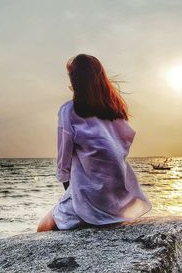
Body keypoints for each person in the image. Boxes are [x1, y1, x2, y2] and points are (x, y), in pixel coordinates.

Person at [37, 54, 151, 232]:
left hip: (91, 197)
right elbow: (119, 152)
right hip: (119, 198)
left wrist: (71, 194)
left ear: (76, 80)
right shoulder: (116, 113)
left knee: (43, 228)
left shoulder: (69, 111)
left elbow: (63, 163)